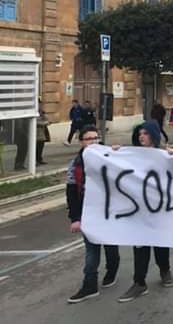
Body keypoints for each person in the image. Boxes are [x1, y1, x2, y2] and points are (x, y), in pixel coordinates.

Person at [117, 121, 173, 303]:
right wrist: (113, 152)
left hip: (159, 209)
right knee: (140, 245)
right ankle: (139, 282)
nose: (142, 136)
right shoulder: (133, 155)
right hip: (140, 210)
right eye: (140, 133)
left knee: (160, 243)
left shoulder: (164, 156)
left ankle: (164, 269)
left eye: (146, 133)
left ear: (153, 135)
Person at [66, 125, 120, 303]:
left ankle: (112, 270)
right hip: (88, 213)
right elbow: (72, 192)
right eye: (89, 139)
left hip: (108, 212)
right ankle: (90, 285)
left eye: (96, 138)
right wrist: (75, 218)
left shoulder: (109, 156)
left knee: (110, 246)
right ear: (81, 142)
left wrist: (119, 154)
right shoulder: (75, 164)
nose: (93, 142)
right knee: (92, 249)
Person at [36, 100, 50, 165]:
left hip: (42, 133)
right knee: (36, 147)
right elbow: (35, 122)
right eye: (39, 104)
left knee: (41, 146)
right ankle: (35, 160)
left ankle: (39, 159)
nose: (40, 106)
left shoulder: (41, 112)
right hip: (36, 133)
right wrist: (44, 123)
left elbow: (47, 120)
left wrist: (43, 114)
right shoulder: (34, 113)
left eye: (41, 105)